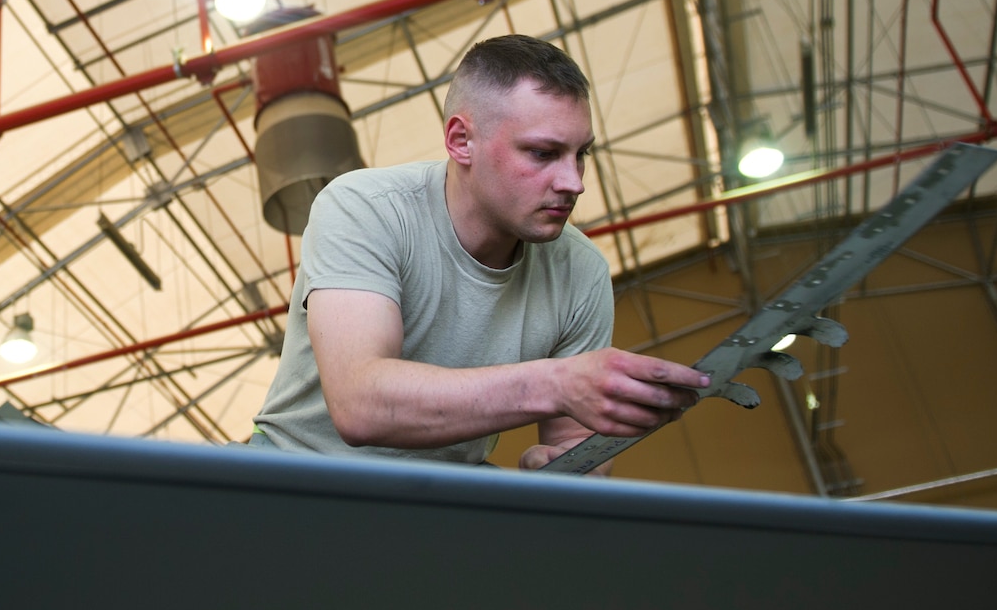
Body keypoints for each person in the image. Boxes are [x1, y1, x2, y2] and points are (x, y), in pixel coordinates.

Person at [250, 35, 708, 469]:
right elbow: (360, 404)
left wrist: (565, 466)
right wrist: (555, 383)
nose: (575, 183)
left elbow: (574, 438)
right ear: (461, 141)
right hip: (289, 484)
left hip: (439, 508)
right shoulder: (365, 208)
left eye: (580, 154)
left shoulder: (581, 272)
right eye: (543, 153)